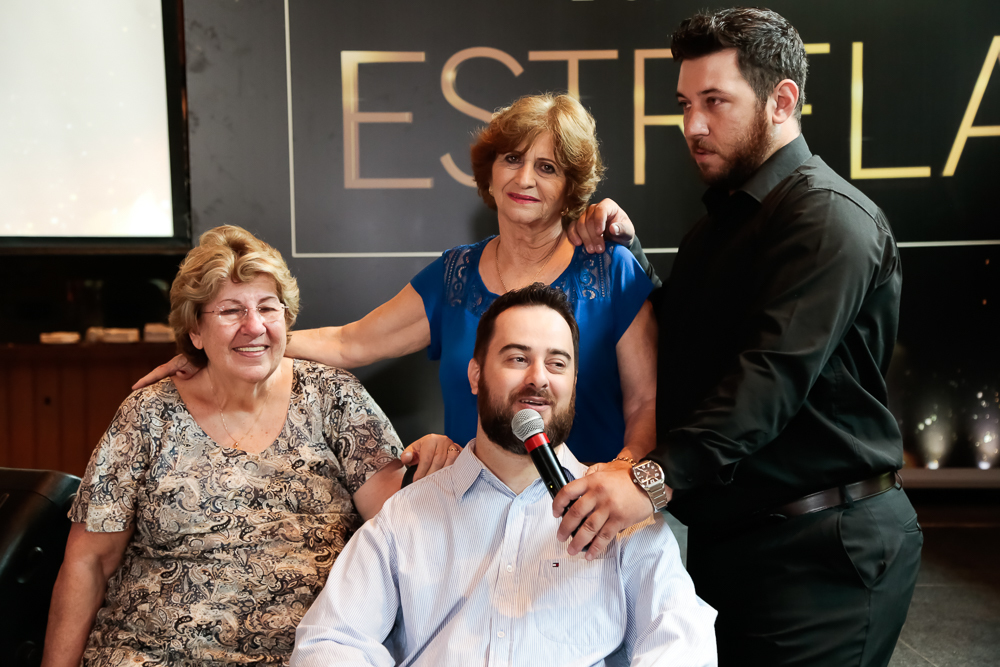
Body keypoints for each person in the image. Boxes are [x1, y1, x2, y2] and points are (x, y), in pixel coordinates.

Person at [555, 8, 922, 667]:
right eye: (685, 105)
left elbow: (766, 379)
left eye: (715, 102)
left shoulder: (828, 220)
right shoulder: (718, 226)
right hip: (734, 547)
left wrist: (649, 479)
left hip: (823, 555)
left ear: (782, 100)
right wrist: (625, 253)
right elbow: (689, 346)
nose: (693, 125)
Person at [137, 93, 657, 471]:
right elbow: (351, 342)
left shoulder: (609, 267)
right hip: (476, 517)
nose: (524, 179)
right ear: (490, 170)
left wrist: (621, 479)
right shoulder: (455, 276)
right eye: (512, 158)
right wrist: (243, 344)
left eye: (547, 167)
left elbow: (646, 404)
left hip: (591, 513)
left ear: (570, 186)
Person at [41, 226, 426, 666]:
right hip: (148, 654)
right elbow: (88, 564)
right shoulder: (147, 414)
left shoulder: (335, 398)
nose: (254, 326)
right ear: (195, 331)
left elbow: (397, 536)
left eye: (267, 307)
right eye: (230, 311)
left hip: (305, 655)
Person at [289, 284, 717, 667]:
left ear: (574, 382)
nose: (538, 379)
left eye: (557, 363)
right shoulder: (406, 515)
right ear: (476, 375)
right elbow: (330, 639)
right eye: (518, 358)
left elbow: (682, 639)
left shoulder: (623, 517)